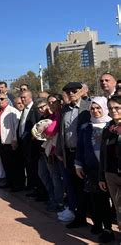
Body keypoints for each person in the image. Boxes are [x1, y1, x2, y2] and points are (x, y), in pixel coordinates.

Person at [75, 97, 114, 243]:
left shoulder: (112, 125)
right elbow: (80, 148)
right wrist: (78, 165)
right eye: (92, 108)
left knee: (114, 202)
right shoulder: (86, 127)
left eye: (98, 108)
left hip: (110, 170)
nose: (95, 111)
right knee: (98, 201)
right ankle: (103, 227)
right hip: (92, 170)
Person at [55, 82, 91, 227]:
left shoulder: (87, 107)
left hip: (82, 154)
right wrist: (59, 150)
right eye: (68, 92)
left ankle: (97, 221)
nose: (71, 94)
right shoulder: (64, 110)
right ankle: (80, 217)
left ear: (81, 91)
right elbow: (61, 132)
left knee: (86, 187)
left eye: (74, 91)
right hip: (68, 154)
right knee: (73, 186)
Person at [99, 95, 121, 233]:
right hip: (110, 174)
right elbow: (103, 153)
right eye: (110, 108)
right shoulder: (108, 129)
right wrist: (102, 176)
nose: (114, 111)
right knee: (118, 207)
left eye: (117, 107)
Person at [19, 91, 42, 199]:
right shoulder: (24, 109)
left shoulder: (35, 109)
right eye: (21, 97)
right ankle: (32, 187)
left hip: (33, 145)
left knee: (35, 168)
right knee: (29, 168)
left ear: (30, 97)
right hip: (25, 144)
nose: (22, 99)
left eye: (24, 97)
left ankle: (39, 190)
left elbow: (38, 125)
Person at [0, 93, 21, 191]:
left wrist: (15, 139)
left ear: (7, 100)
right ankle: (9, 182)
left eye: (2, 99)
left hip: (10, 142)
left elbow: (16, 127)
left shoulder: (13, 111)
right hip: (1, 141)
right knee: (5, 163)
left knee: (13, 164)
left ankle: (16, 184)